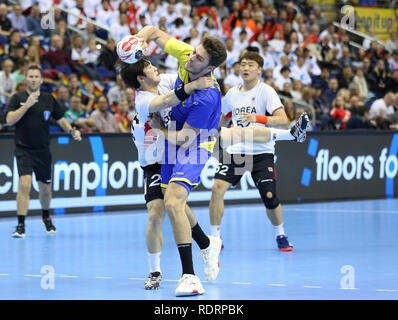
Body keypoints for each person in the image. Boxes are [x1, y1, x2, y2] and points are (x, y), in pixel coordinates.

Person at [135, 25, 227, 296]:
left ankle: (189, 277)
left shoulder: (208, 96)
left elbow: (186, 138)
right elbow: (155, 33)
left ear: (210, 68)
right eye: (194, 53)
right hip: (173, 140)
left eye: (198, 59)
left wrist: (160, 129)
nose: (190, 59)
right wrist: (140, 39)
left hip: (194, 144)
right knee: (169, 199)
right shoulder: (188, 56)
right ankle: (206, 243)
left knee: (174, 201)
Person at [119, 56, 214, 290]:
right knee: (156, 213)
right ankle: (155, 270)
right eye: (149, 67)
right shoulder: (142, 100)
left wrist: (200, 73)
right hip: (153, 161)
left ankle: (204, 246)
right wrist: (193, 87)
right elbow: (170, 98)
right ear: (141, 79)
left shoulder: (164, 80)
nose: (155, 68)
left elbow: (185, 76)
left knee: (175, 203)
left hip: (175, 152)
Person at [209, 51, 310, 252]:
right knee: (217, 188)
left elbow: (282, 119)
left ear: (259, 69)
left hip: (262, 152)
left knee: (270, 197)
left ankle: (280, 234)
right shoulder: (231, 94)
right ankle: (215, 237)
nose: (245, 68)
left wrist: (259, 118)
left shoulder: (266, 91)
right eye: (243, 64)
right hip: (237, 150)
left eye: (250, 65)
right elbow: (223, 118)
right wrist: (214, 132)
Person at [5, 65, 82, 238]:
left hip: (42, 150)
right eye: (30, 76)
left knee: (45, 189)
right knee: (24, 184)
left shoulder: (49, 99)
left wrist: (71, 131)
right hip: (23, 148)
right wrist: (27, 105)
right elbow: (9, 121)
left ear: (41, 80)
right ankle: (20, 225)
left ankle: (46, 216)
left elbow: (61, 119)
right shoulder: (17, 98)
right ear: (25, 80)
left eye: (36, 76)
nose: (33, 79)